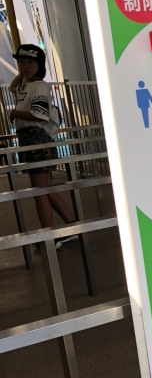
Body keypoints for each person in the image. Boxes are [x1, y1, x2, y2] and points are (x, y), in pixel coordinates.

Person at [9, 44, 77, 243]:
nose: (25, 66)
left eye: (30, 63)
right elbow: (13, 87)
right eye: (22, 62)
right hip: (31, 138)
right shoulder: (25, 85)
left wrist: (15, 113)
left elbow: (39, 114)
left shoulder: (39, 87)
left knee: (39, 192)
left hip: (36, 138)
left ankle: (49, 235)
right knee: (46, 188)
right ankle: (72, 224)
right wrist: (23, 74)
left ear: (40, 65)